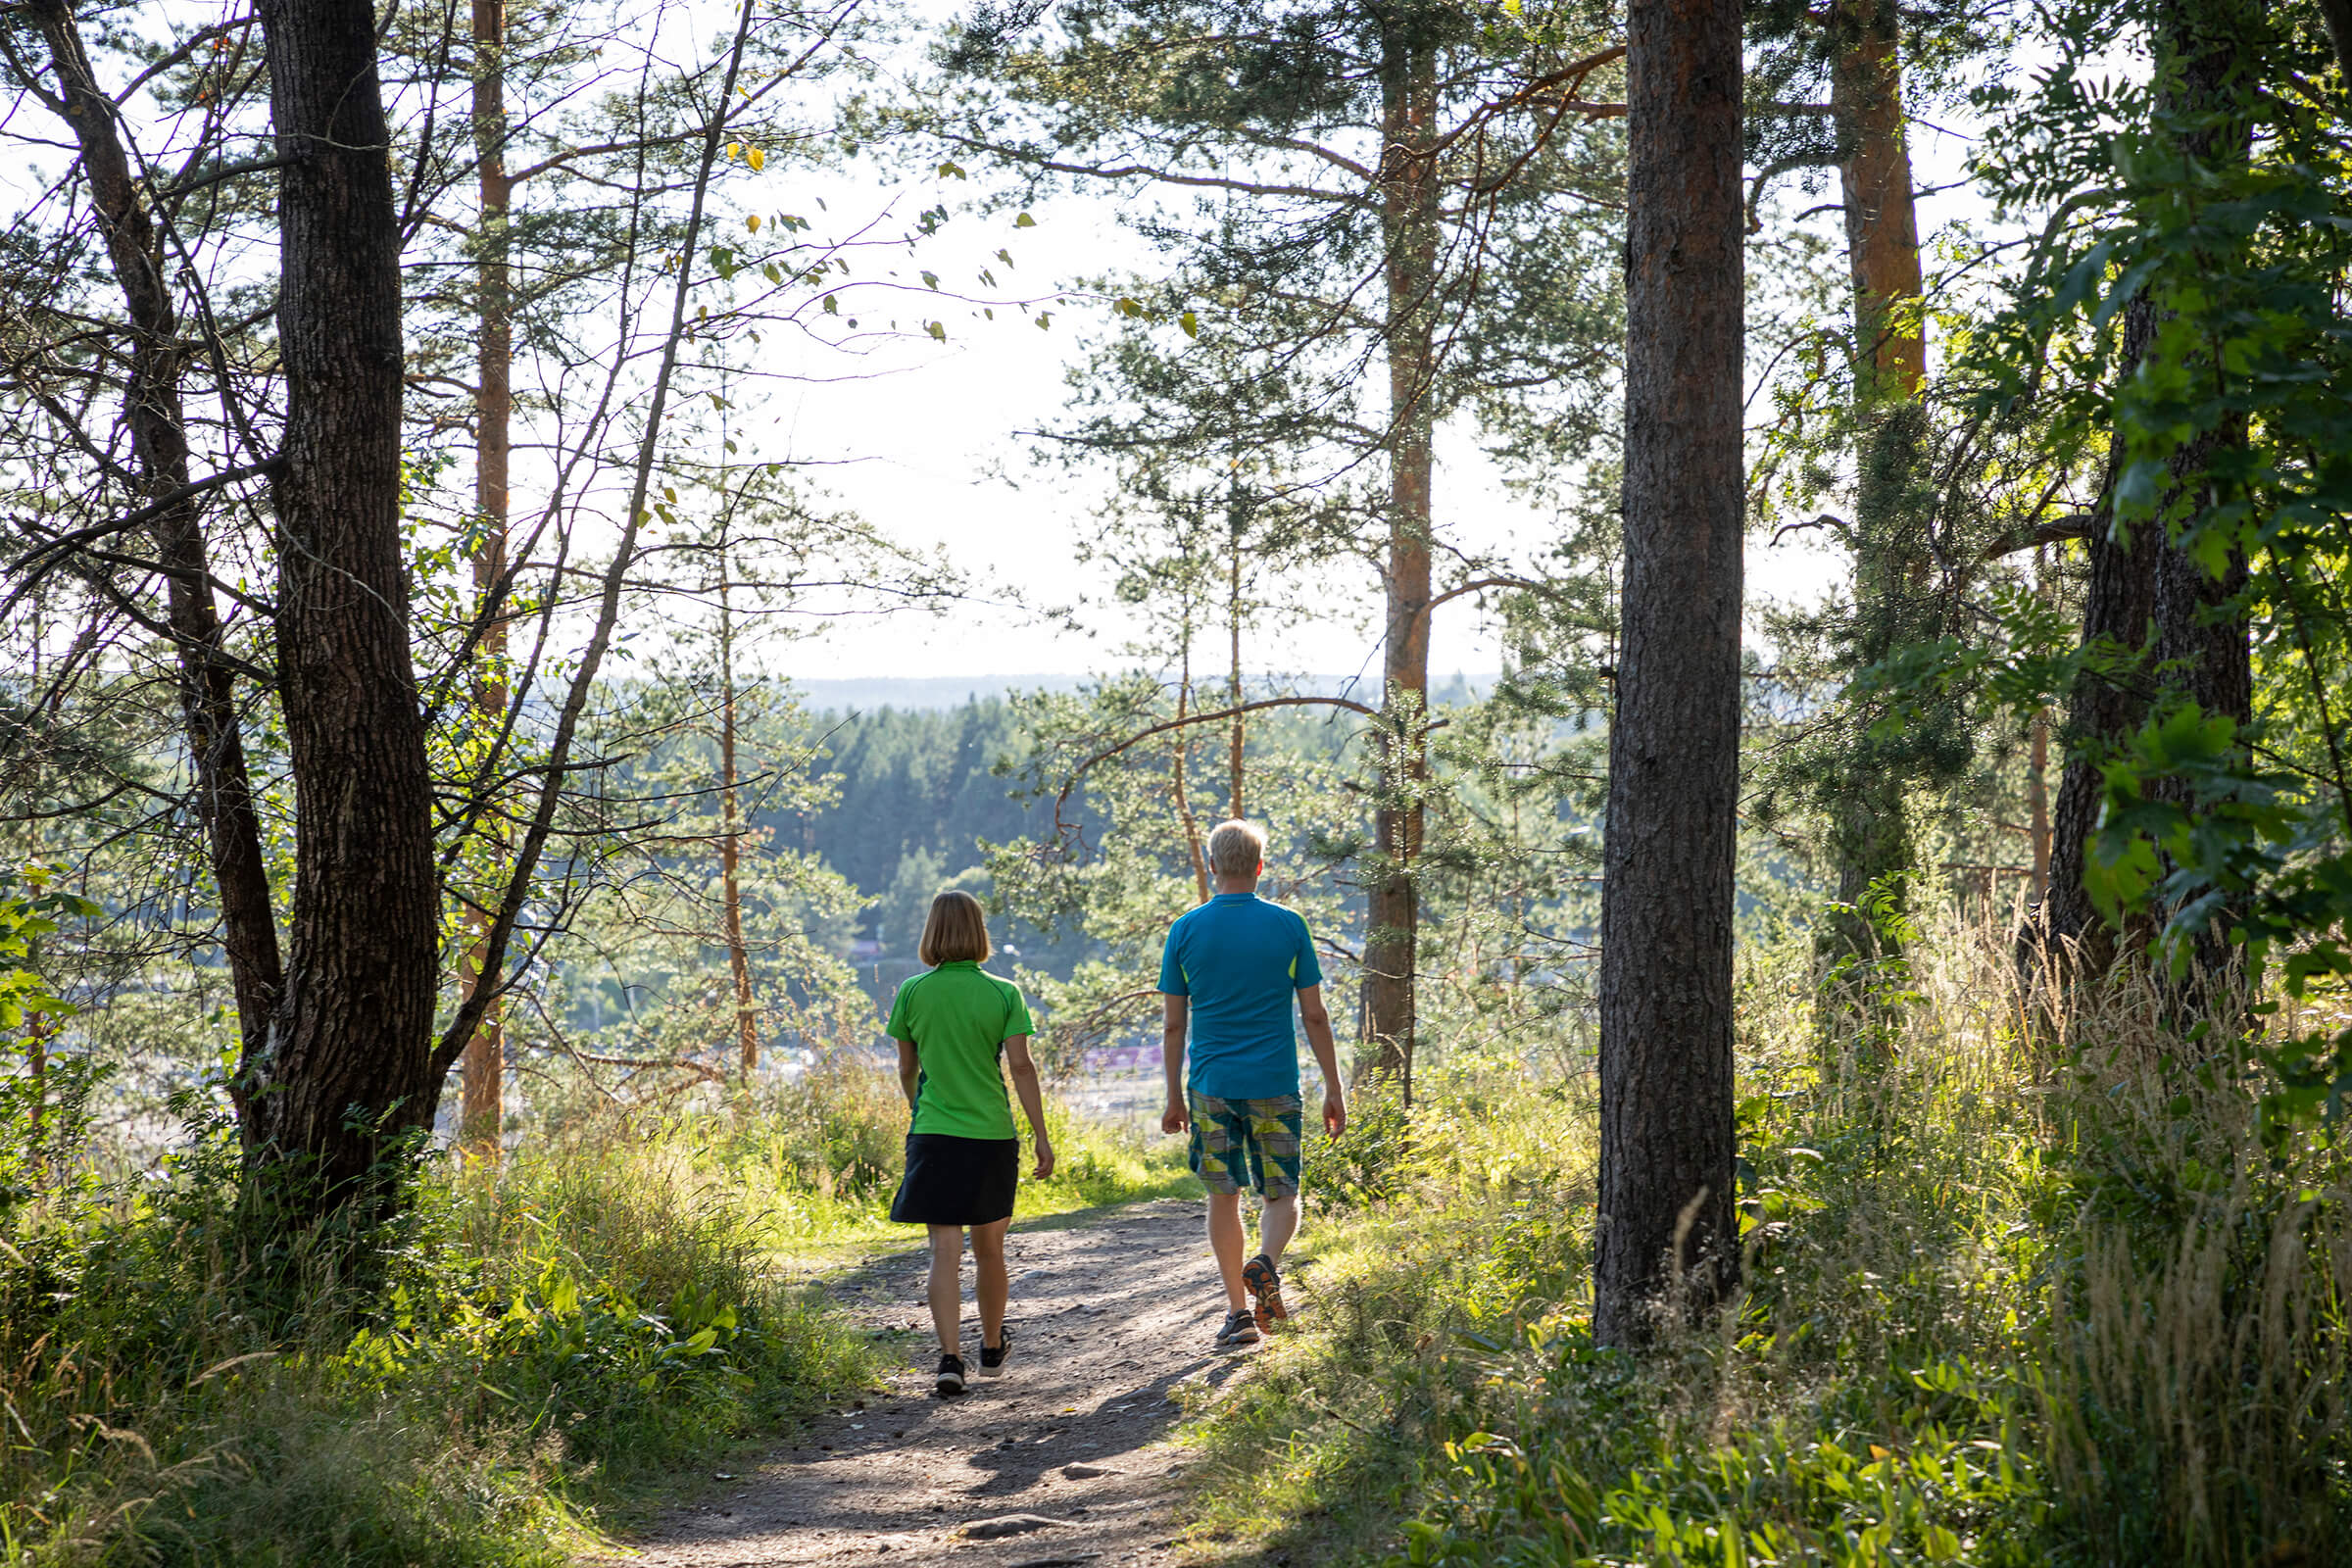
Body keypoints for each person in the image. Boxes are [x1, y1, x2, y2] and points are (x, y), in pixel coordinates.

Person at [1158, 818, 1346, 1348]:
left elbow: (1175, 1023)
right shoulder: (1289, 926)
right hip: (1275, 1082)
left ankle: (1239, 1314)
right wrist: (1334, 1087)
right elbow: (1314, 1015)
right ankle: (1266, 1262)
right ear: (1260, 867)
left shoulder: (1186, 929)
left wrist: (1174, 1095)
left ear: (1213, 866)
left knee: (1224, 1195)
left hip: (1212, 1084)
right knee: (1281, 1193)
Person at [885, 890, 1054, 1396]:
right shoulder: (1004, 992)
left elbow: (907, 1068)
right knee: (990, 1251)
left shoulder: (913, 992)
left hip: (934, 1133)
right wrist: (1042, 1136)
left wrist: (920, 1108)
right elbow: (1021, 1066)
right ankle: (992, 1348)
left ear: (932, 932)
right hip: (991, 1136)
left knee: (943, 1249)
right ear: (980, 933)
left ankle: (949, 1359)